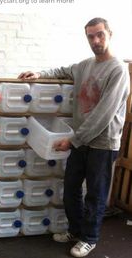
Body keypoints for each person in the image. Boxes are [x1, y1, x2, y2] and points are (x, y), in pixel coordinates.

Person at [18, 18, 130, 257]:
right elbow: (63, 70)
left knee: (95, 194)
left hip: (102, 143)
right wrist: (40, 72)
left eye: (100, 35)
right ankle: (76, 230)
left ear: (110, 34)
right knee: (70, 188)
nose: (95, 41)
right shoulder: (85, 65)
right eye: (90, 36)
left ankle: (89, 238)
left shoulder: (118, 69)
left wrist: (72, 140)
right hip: (80, 140)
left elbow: (104, 114)